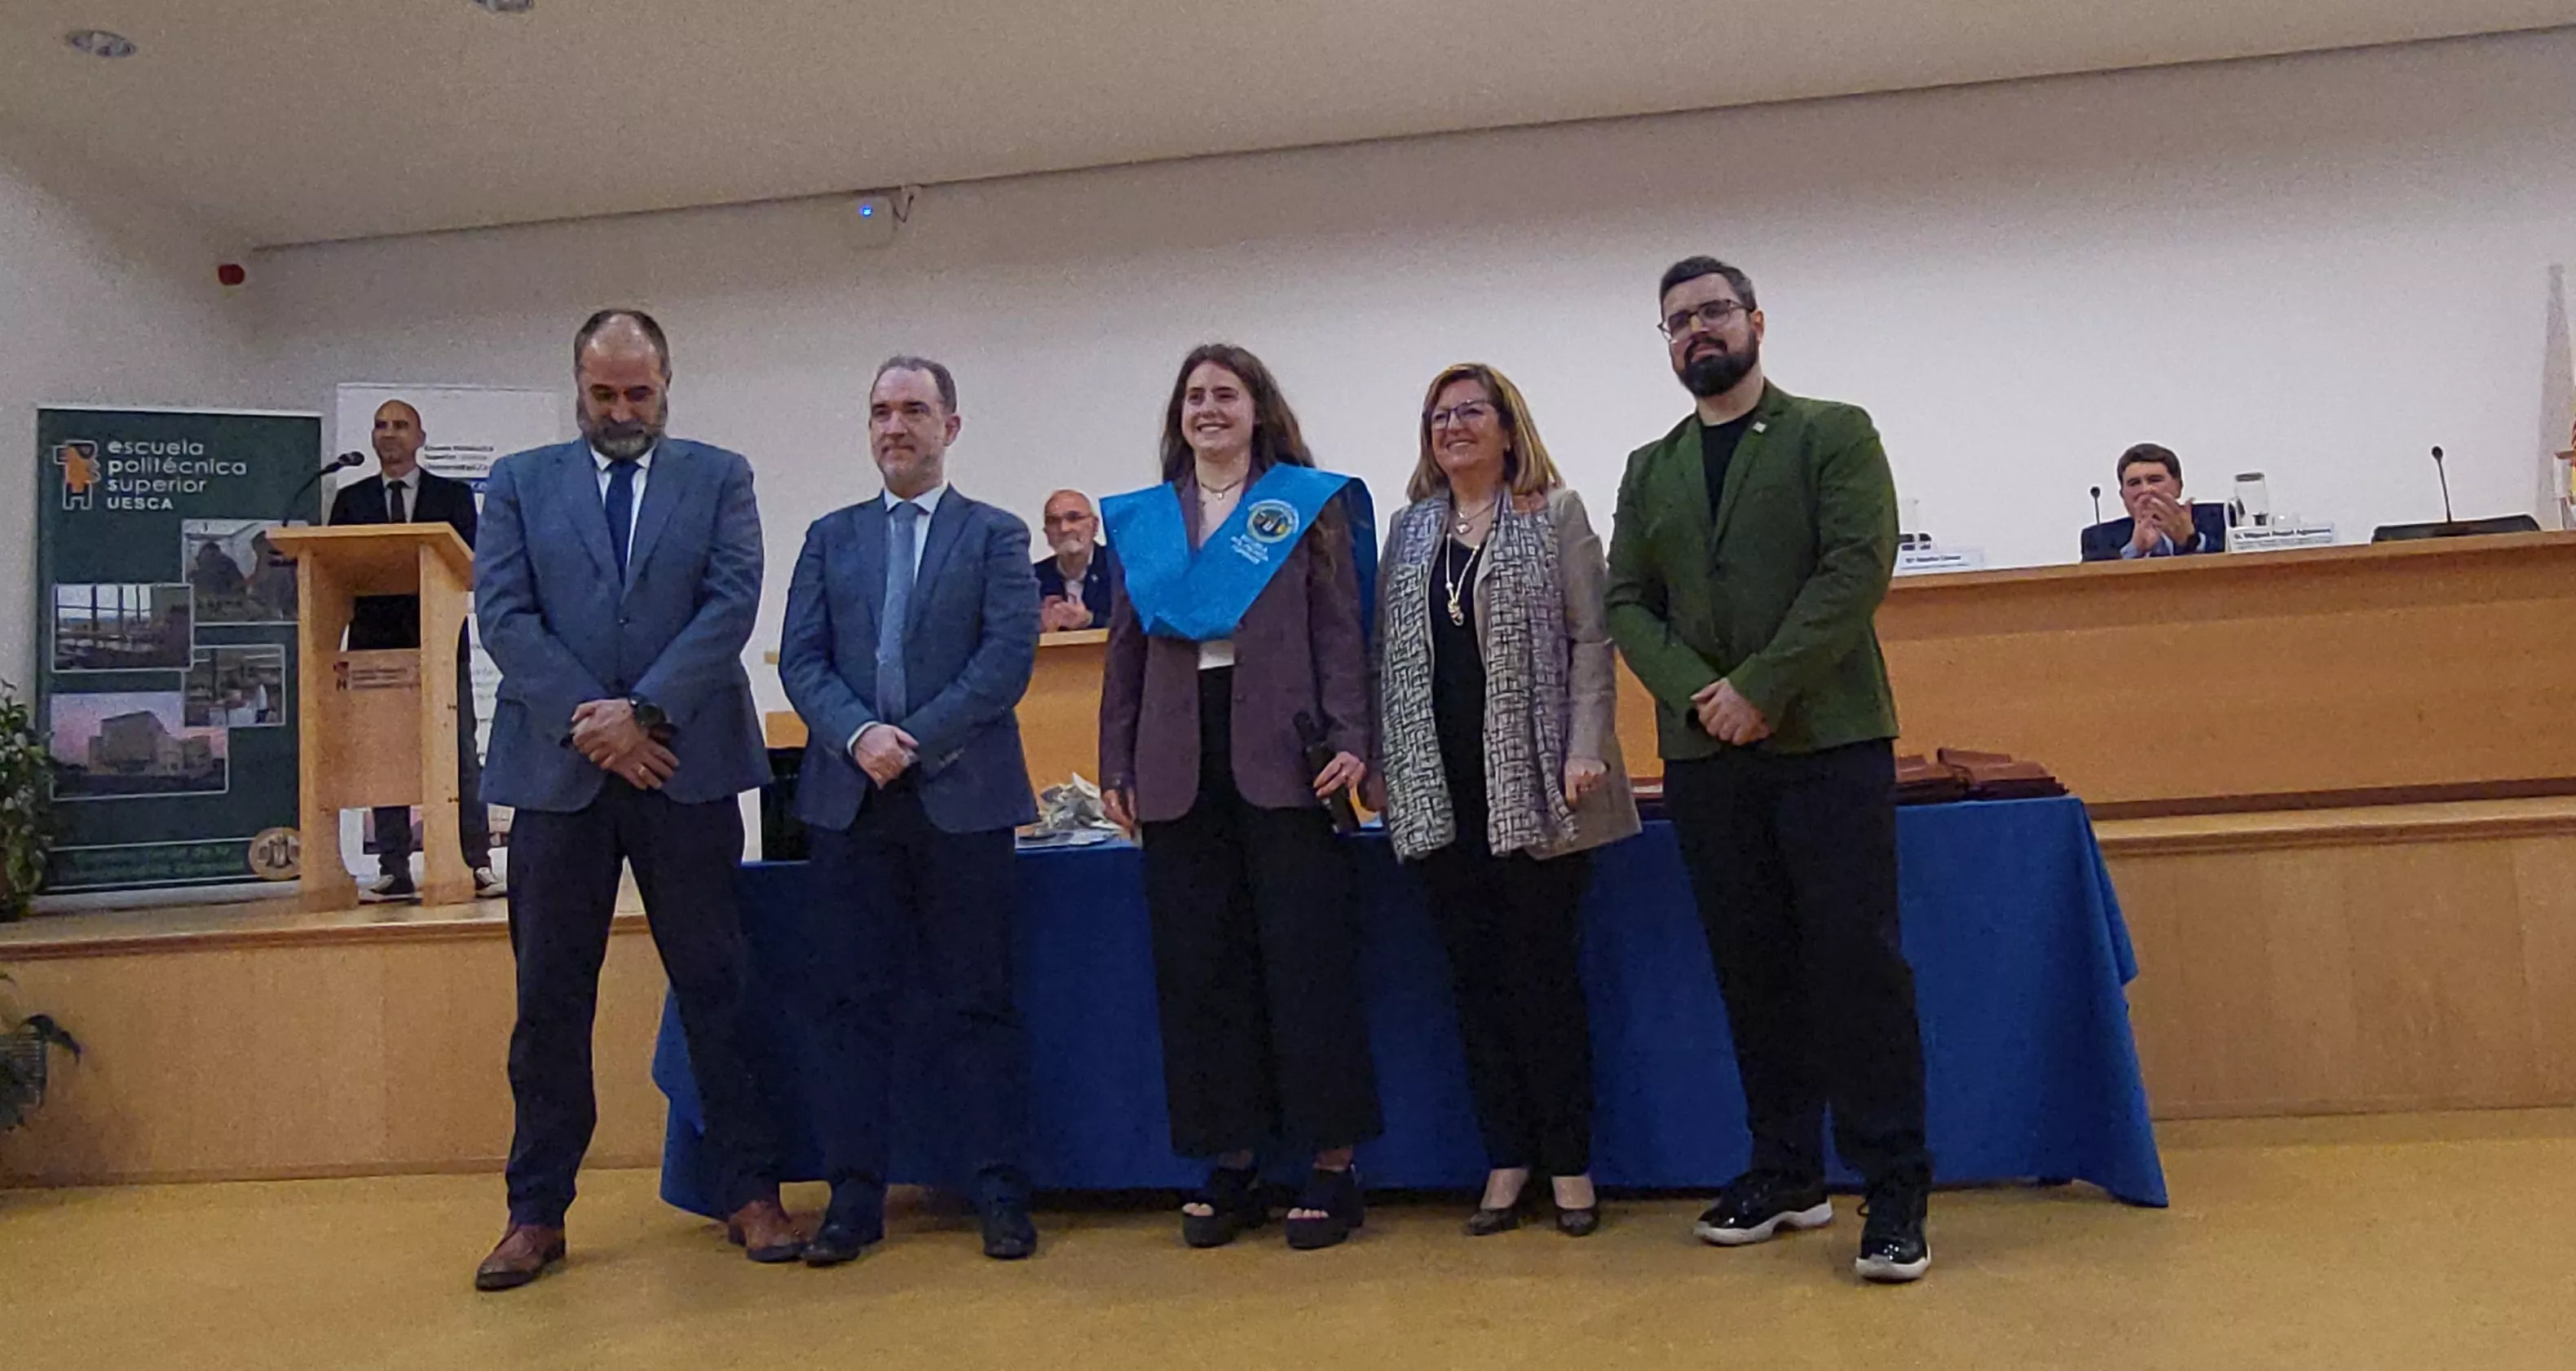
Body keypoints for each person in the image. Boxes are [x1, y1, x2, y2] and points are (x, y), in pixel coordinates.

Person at [1605, 258, 1934, 1283]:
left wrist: (1761, 686)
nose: (1695, 332)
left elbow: (1854, 568)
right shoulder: (1647, 466)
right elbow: (1625, 602)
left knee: (1855, 967)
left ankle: (1893, 1189)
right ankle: (1786, 1170)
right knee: (1752, 970)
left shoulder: (1832, 431)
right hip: (1707, 755)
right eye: (1675, 323)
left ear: (1753, 321)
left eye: (1711, 313)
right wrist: (1705, 694)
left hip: (1826, 742)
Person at [470, 310, 797, 1289]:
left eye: (638, 393)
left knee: (718, 985)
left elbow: (731, 602)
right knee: (548, 1001)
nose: (621, 411)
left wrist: (645, 712)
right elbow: (502, 611)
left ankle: (750, 1190)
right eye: (603, 393)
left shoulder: (719, 474)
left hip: (681, 766)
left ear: (668, 384)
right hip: (558, 777)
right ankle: (535, 1211)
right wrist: (593, 719)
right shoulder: (521, 483)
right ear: (577, 384)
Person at [1098, 343, 1380, 1251]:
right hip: (1177, 758)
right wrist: (1117, 763)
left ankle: (1331, 1166)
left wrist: (1352, 738)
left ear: (1259, 408)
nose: (1209, 408)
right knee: (1202, 968)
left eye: (1226, 393)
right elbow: (1126, 654)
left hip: (1285, 752)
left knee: (1303, 960)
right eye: (1194, 396)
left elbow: (1342, 632)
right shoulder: (1146, 521)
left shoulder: (1304, 504)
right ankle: (1234, 1161)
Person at [779, 355, 1043, 1266]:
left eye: (915, 410)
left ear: (951, 426)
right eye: (882, 411)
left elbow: (1004, 660)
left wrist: (911, 740)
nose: (896, 426)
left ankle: (1000, 1192)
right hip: (850, 804)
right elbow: (801, 658)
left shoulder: (998, 536)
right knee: (850, 1004)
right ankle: (853, 1198)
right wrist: (859, 737)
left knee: (979, 1002)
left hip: (962, 800)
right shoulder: (828, 536)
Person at [1370, 363, 1639, 1238]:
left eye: (1469, 412)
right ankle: (1505, 1155)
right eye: (1437, 416)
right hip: (1438, 790)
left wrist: (1583, 747)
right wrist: (1380, 760)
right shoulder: (1408, 530)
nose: (1452, 427)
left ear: (1506, 425)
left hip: (1541, 786)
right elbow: (1384, 658)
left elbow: (1590, 640)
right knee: (1474, 986)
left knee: (1543, 984)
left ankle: (1567, 1161)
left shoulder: (1551, 511)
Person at [328, 399, 499, 902]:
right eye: (381, 425)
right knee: (386, 751)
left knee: (461, 753)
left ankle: (476, 862)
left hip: (441, 642)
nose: (390, 434)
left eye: (401, 426)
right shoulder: (351, 501)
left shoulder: (452, 497)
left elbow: (471, 563)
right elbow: (336, 569)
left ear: (420, 438)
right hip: (376, 646)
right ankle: (394, 866)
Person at [2080, 443, 2228, 561]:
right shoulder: (2098, 537)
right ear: (2123, 495)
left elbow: (2241, 561)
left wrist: (2191, 541)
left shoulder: (2219, 518)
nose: (2146, 490)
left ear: (2178, 487)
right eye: (2134, 483)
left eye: (2155, 480)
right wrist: (2133, 550)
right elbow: (2086, 584)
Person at [1034, 488, 1117, 631]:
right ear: (1046, 532)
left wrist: (1091, 620)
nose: (1064, 528)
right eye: (1053, 521)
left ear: (1095, 526)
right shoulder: (1032, 578)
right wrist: (1036, 625)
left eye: (1073, 518)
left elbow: (1136, 629)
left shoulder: (1121, 569)